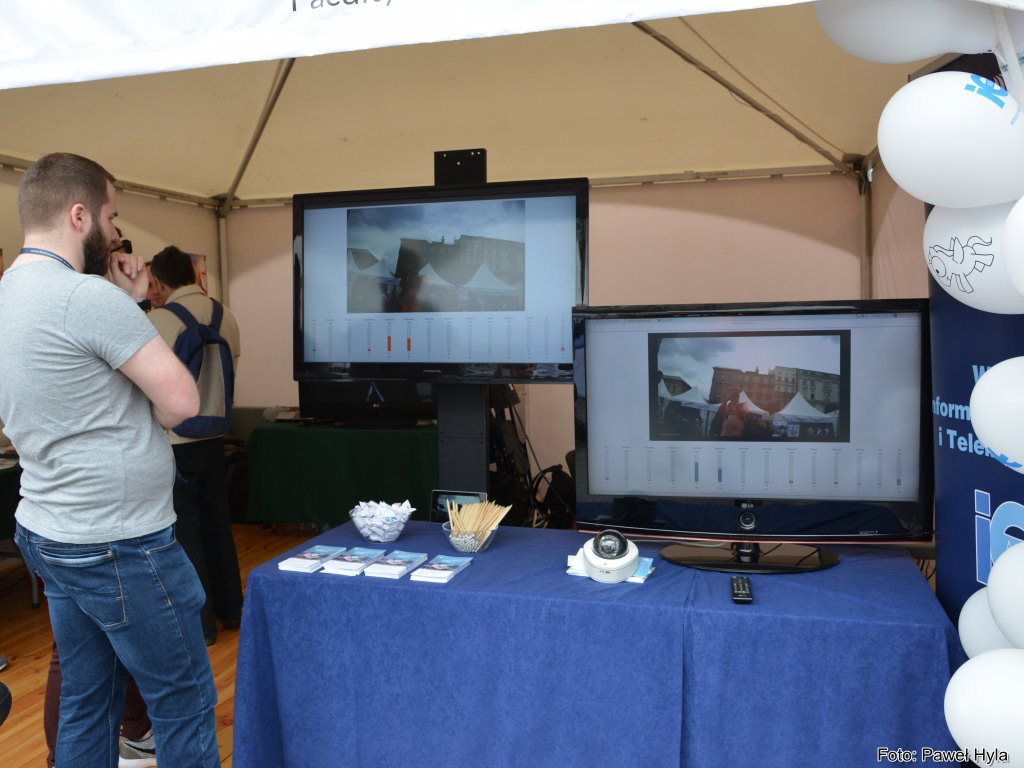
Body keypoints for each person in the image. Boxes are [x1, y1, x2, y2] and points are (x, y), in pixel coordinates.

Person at [0, 152, 220, 767]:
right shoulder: (86, 298)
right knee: (183, 702)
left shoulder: (7, 293)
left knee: (86, 702)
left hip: (51, 528)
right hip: (119, 541)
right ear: (79, 216)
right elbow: (182, 403)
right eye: (111, 217)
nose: (117, 233)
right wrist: (126, 302)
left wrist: (126, 302)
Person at [149, 245, 243, 645]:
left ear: (158, 281)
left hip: (175, 440)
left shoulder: (159, 320)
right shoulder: (226, 315)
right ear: (192, 274)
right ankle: (233, 609)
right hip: (216, 434)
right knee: (218, 523)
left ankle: (201, 625)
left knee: (185, 532)